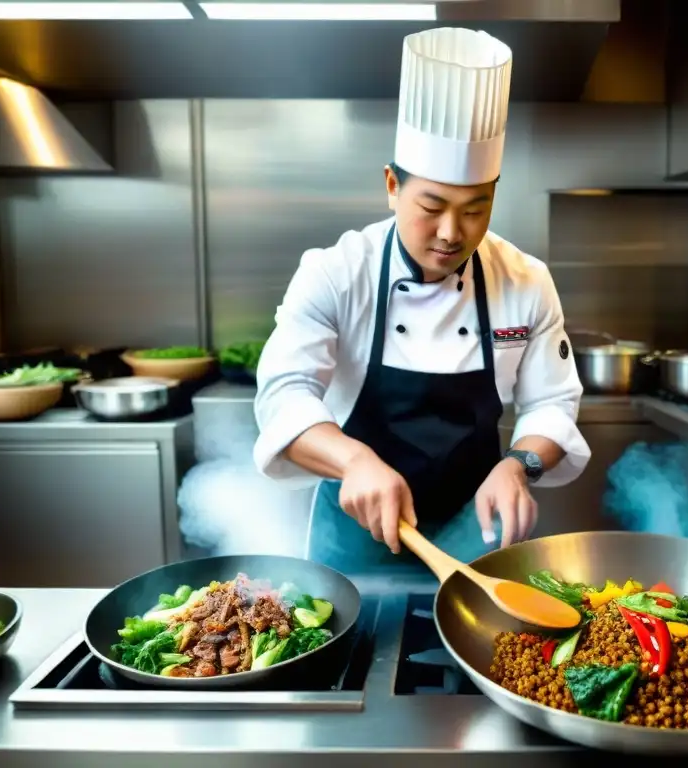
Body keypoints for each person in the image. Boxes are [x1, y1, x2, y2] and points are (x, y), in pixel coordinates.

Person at [252, 27, 591, 575]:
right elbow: (284, 395)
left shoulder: (526, 280)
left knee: (480, 650)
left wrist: (518, 465)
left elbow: (552, 404)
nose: (451, 233)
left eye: (475, 209)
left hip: (475, 527)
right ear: (391, 184)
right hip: (356, 524)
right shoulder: (336, 271)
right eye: (431, 206)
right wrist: (354, 459)